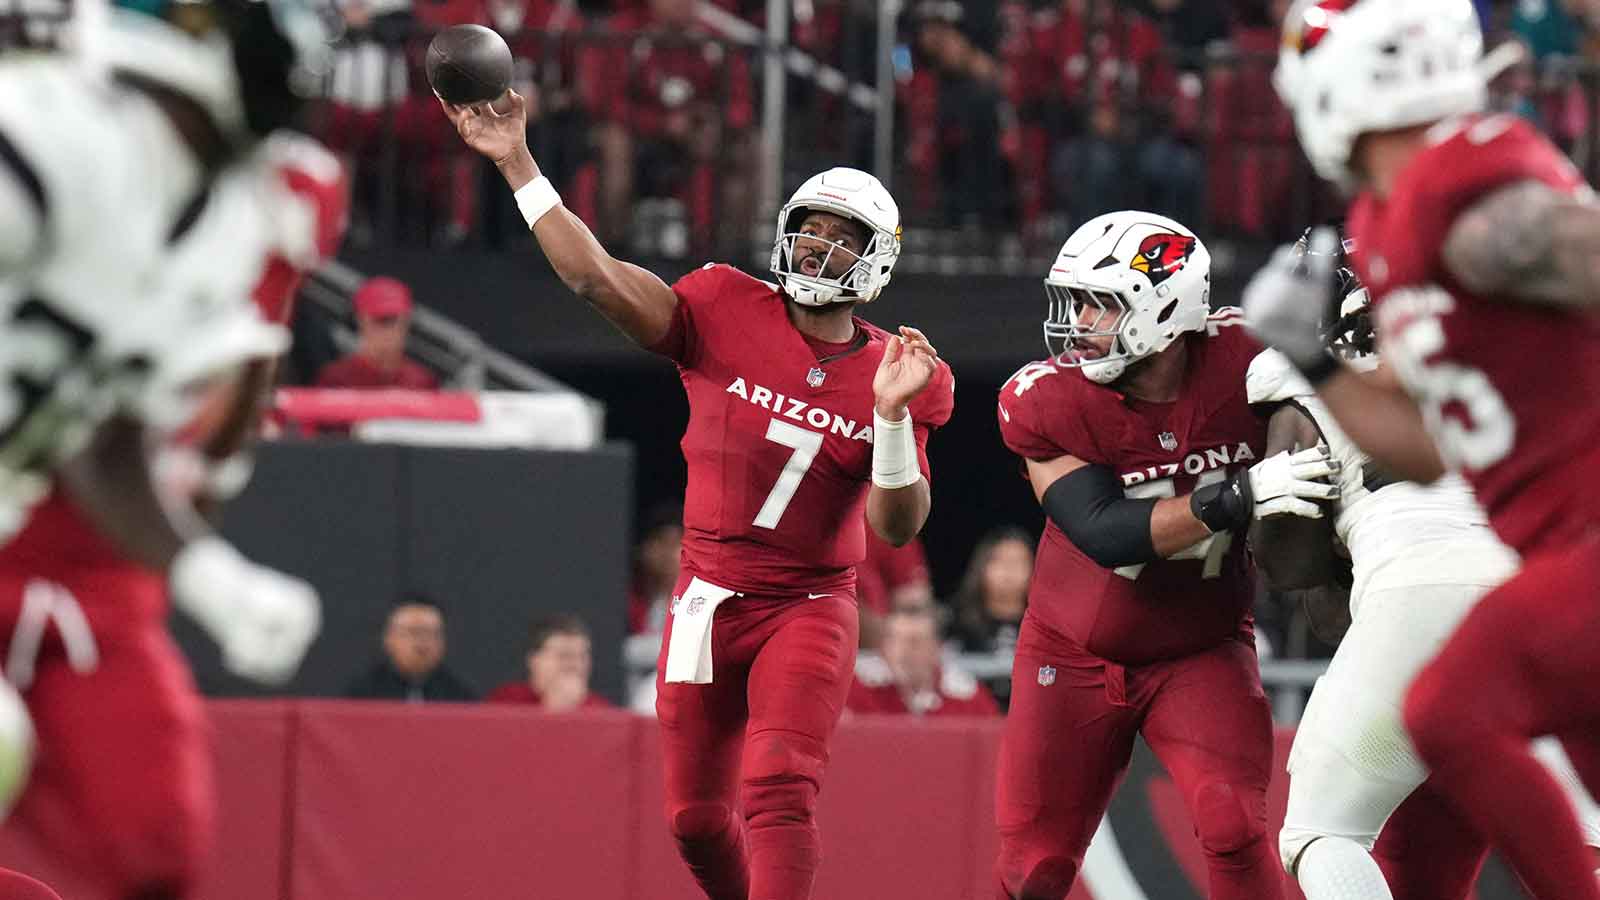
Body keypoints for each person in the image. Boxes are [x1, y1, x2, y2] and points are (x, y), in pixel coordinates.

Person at [442, 92, 954, 900]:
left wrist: (891, 417)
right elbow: (595, 278)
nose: (819, 246)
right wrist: (516, 162)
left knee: (781, 784)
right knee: (694, 821)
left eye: (842, 235)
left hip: (808, 600)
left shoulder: (902, 372)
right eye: (811, 227)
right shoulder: (723, 306)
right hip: (706, 594)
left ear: (878, 259)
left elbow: (898, 523)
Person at [1252, 1, 1600, 895]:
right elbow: (1425, 448)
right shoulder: (1384, 221)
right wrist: (1310, 365)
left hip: (1581, 542)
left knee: (1451, 712)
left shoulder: (1471, 183)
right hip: (1544, 553)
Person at [0, 0, 337, 895]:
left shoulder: (228, 216)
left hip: (25, 523)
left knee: (154, 850)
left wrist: (205, 576)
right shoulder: (51, 132)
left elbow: (104, 439)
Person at [992, 209, 1340, 900]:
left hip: (1201, 648)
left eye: (1101, 304)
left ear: (1163, 308)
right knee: (1033, 871)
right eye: (1077, 303)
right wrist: (1236, 497)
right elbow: (1102, 530)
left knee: (1235, 825)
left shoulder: (1248, 358)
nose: (1080, 323)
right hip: (1072, 652)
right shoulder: (1047, 399)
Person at [847, 606, 999, 718]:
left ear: (936, 648)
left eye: (915, 642)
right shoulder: (858, 686)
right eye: (896, 641)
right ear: (884, 647)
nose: (904, 652)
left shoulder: (965, 694)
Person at [314, 276, 440, 390]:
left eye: (401, 320)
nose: (393, 329)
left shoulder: (423, 381)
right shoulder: (336, 379)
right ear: (361, 321)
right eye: (384, 319)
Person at [345, 600, 477, 702]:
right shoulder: (363, 696)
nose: (422, 643)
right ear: (388, 638)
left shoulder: (459, 697)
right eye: (413, 632)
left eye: (431, 633)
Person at [487, 613, 613, 710]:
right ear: (534, 660)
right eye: (563, 656)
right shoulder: (506, 702)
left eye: (582, 657)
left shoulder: (602, 711)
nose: (574, 666)